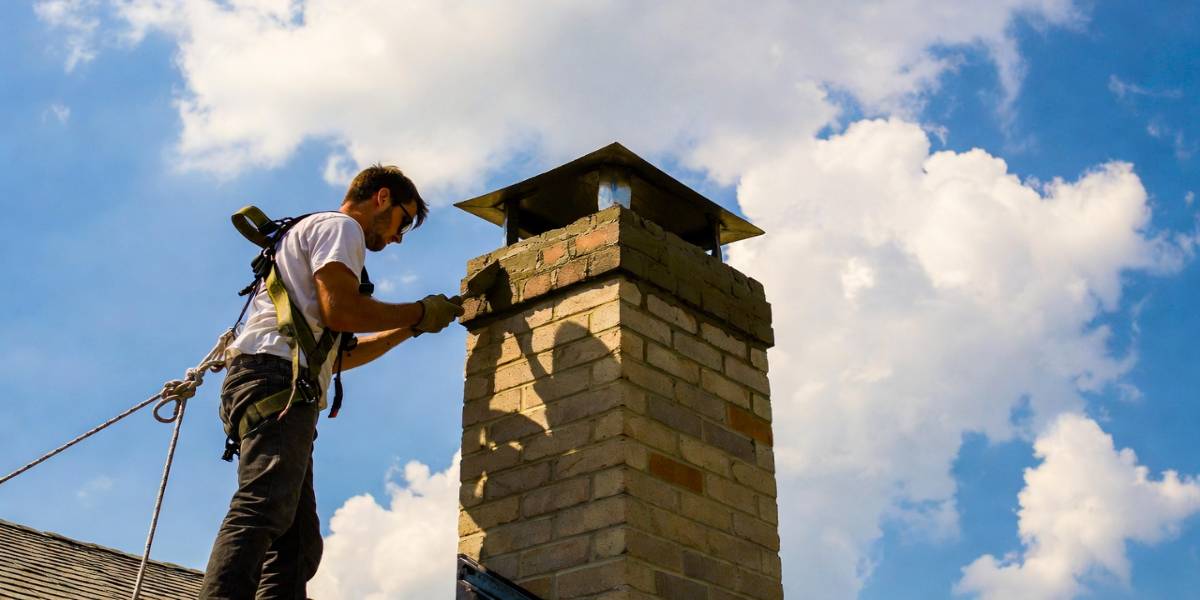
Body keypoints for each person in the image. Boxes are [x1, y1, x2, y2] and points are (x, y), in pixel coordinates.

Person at [199, 164, 463, 599]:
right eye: (403, 220)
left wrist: (413, 326)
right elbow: (339, 310)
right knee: (264, 507)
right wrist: (418, 311)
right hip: (275, 380)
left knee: (298, 545)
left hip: (276, 381)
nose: (399, 237)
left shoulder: (319, 237)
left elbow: (340, 355)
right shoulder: (342, 228)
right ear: (381, 198)